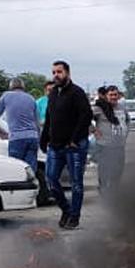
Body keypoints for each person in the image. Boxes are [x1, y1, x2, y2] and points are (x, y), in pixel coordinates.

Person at [39, 60, 93, 229]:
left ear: (67, 73)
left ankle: (74, 216)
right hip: (55, 145)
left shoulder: (77, 93)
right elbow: (49, 118)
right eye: (54, 72)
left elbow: (86, 116)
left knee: (76, 183)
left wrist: (75, 139)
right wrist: (44, 138)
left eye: (59, 72)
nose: (56, 75)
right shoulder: (54, 93)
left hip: (74, 147)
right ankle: (66, 209)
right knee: (51, 179)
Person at [0, 77, 40, 172]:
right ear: (23, 87)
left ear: (10, 86)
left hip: (17, 137)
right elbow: (37, 122)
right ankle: (31, 185)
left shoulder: (6, 96)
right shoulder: (31, 98)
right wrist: (39, 138)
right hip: (32, 137)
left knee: (16, 167)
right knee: (31, 168)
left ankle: (19, 185)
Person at [92, 85, 129, 192]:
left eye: (115, 95)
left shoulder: (121, 108)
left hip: (119, 145)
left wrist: (125, 133)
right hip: (105, 145)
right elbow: (85, 118)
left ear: (118, 96)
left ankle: (114, 190)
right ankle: (103, 189)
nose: (113, 97)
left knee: (118, 170)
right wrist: (94, 130)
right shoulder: (99, 108)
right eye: (111, 95)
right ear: (106, 96)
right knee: (105, 170)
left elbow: (127, 120)